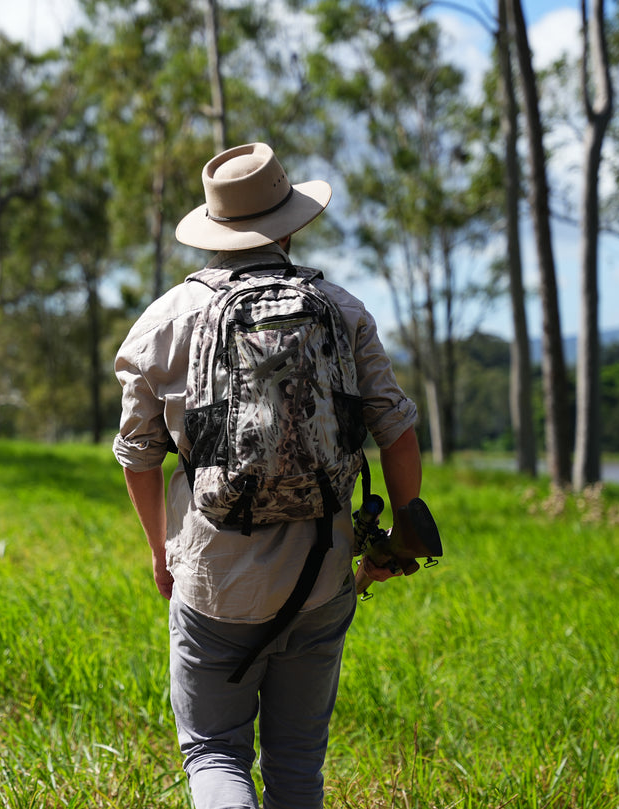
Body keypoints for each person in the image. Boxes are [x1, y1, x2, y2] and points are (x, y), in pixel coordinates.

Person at [113, 142, 423, 809]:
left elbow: (139, 455)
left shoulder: (163, 323)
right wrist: (399, 533)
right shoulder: (342, 309)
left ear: (215, 230)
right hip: (322, 574)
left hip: (215, 578)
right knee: (296, 768)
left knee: (216, 752)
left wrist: (160, 554)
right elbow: (397, 431)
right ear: (287, 225)